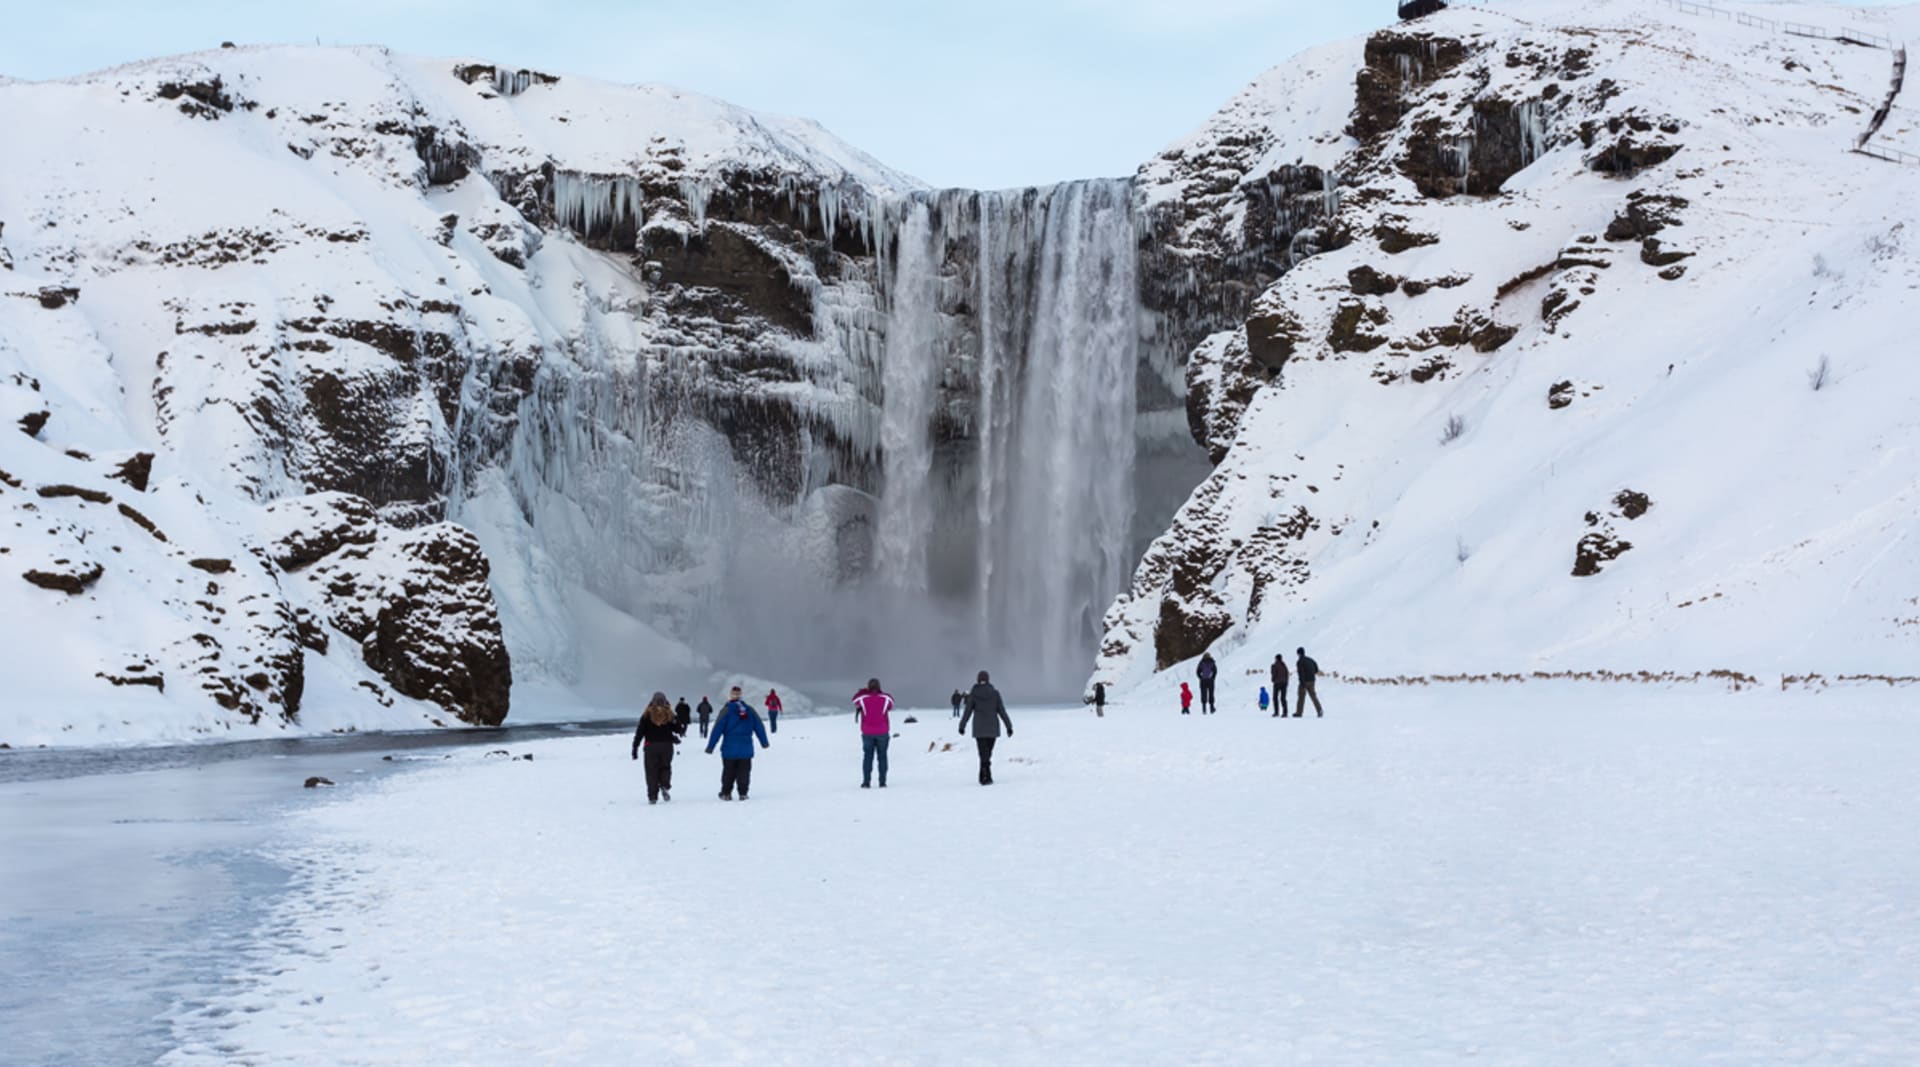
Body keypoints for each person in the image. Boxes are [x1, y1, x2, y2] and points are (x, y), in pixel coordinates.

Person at [706, 686, 770, 800]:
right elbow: (759, 726)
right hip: (746, 747)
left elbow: (717, 729)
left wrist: (711, 746)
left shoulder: (726, 710)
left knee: (728, 771)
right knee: (744, 772)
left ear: (730, 696)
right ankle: (743, 793)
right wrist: (764, 742)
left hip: (729, 748)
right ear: (741, 696)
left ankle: (726, 793)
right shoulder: (750, 710)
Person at [958, 670, 1012, 785]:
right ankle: (986, 776)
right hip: (992, 729)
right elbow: (1002, 711)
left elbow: (967, 712)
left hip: (979, 729)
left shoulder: (973, 694)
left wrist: (962, 726)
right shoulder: (995, 693)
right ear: (988, 680)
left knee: (984, 754)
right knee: (987, 753)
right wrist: (1009, 727)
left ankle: (984, 776)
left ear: (978, 680)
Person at [631, 692, 684, 804]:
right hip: (666, 746)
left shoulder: (647, 715)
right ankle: (665, 785)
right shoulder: (669, 714)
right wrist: (676, 721)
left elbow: (640, 733)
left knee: (651, 771)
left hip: (651, 747)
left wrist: (635, 748)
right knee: (665, 767)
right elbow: (679, 729)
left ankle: (652, 796)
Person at [853, 678, 894, 788]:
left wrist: (864, 691)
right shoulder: (886, 698)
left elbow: (854, 700)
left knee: (867, 756)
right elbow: (891, 705)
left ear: (868, 687)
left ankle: (866, 782)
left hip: (867, 732)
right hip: (882, 731)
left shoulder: (863, 698)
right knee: (882, 756)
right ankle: (882, 782)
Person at [1295, 647, 1323, 718]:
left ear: (1298, 654)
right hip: (1312, 681)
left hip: (1304, 681)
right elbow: (1316, 670)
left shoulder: (1299, 662)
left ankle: (1299, 712)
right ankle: (1319, 710)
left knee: (1301, 697)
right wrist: (1311, 673)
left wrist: (1302, 683)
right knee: (1313, 696)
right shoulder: (1311, 660)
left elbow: (1301, 673)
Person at [1270, 654, 1290, 719]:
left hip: (1277, 683)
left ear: (1276, 658)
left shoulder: (1274, 665)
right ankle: (1285, 712)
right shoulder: (1284, 665)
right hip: (1284, 683)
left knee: (1275, 697)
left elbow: (1273, 673)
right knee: (1283, 698)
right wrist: (1286, 682)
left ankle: (1276, 712)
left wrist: (1273, 679)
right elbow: (1287, 674)